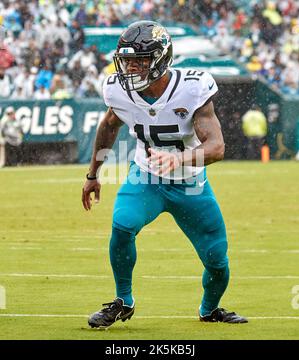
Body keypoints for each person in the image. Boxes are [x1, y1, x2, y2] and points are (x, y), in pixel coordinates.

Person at [82, 21, 248, 329]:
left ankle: (209, 310)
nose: (130, 67)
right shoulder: (118, 90)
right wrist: (93, 173)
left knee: (217, 259)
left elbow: (217, 147)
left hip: (191, 184)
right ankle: (123, 301)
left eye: (139, 60)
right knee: (122, 225)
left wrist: (179, 160)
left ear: (161, 58)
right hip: (146, 178)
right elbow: (108, 125)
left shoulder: (191, 88)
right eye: (126, 59)